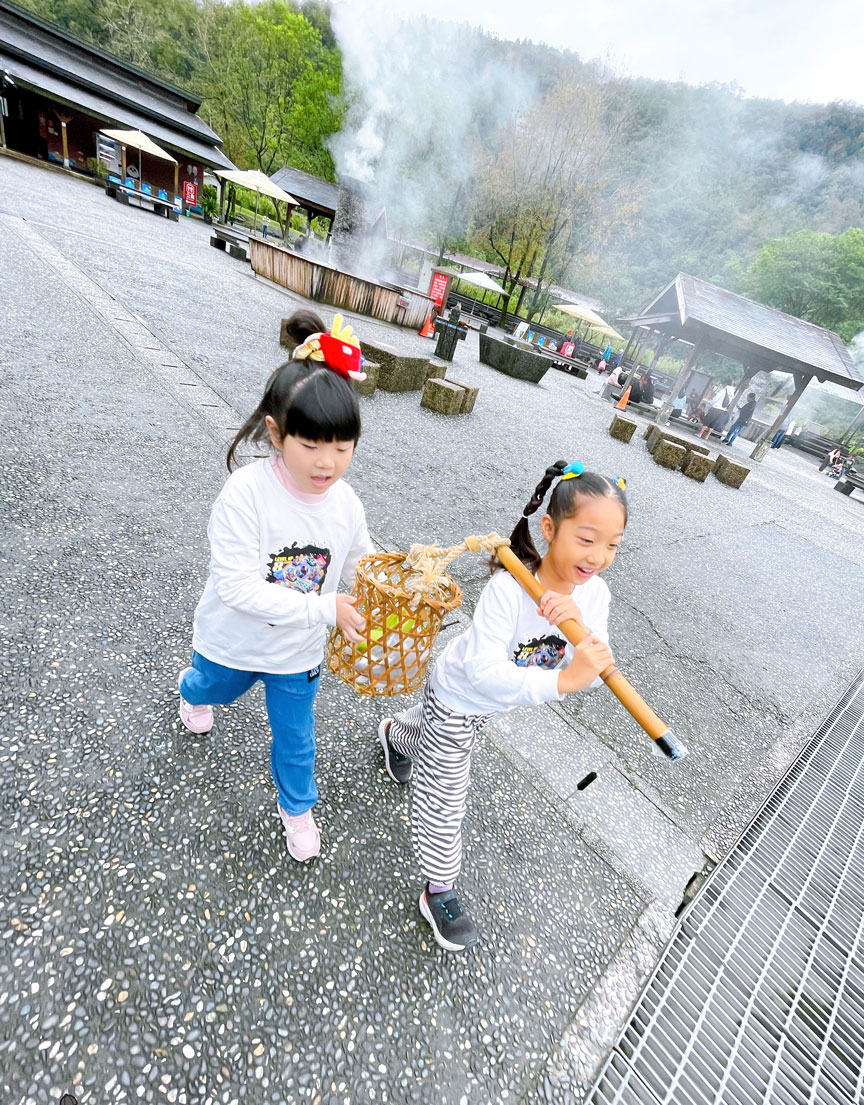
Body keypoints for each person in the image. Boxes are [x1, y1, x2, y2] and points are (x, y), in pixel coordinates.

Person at [377, 462, 626, 951]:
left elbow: (596, 667)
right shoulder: (509, 588)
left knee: (432, 742)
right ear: (549, 528)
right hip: (458, 695)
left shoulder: (595, 595)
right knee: (445, 796)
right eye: (587, 539)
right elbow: (484, 673)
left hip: (494, 704)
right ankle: (439, 888)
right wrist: (563, 680)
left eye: (613, 545)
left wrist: (580, 635)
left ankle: (395, 736)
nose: (598, 557)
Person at [176, 316, 372, 863]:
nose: (327, 463)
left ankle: (298, 807)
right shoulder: (246, 493)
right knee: (214, 688)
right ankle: (191, 690)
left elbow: (359, 564)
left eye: (343, 447)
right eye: (310, 445)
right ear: (276, 432)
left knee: (296, 737)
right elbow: (236, 587)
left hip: (296, 654)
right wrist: (323, 608)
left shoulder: (346, 503)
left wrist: (389, 590)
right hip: (235, 640)